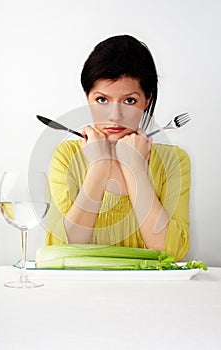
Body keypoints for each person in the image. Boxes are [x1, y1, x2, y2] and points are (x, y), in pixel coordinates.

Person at [45, 34, 190, 261]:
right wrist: (99, 167)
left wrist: (134, 166)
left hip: (155, 294)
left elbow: (171, 253)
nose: (115, 116)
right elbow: (59, 251)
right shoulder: (67, 156)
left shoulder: (174, 160)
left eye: (129, 101)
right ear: (88, 98)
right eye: (102, 100)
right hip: (81, 293)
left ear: (146, 100)